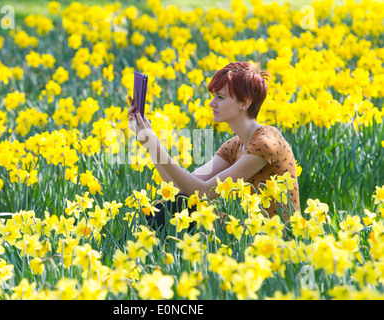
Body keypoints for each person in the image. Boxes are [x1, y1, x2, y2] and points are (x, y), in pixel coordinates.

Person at [128, 61, 300, 232]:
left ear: (244, 103)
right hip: (246, 231)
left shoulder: (265, 144)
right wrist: (150, 144)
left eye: (220, 97)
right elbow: (180, 188)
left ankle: (126, 252)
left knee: (180, 205)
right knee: (165, 205)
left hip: (272, 240)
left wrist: (154, 145)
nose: (212, 103)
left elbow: (203, 192)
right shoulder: (235, 145)